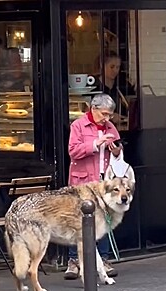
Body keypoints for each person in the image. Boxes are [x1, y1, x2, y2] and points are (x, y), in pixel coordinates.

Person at [65, 93, 124, 280]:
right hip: (82, 180)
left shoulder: (110, 127)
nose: (106, 118)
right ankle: (74, 261)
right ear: (93, 109)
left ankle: (103, 260)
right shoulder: (78, 126)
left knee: (104, 219)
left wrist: (115, 150)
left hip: (103, 182)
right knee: (78, 220)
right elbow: (73, 151)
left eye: (109, 115)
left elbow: (118, 151)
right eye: (104, 114)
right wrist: (95, 144)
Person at [94, 50, 136, 123]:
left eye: (118, 67)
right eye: (112, 67)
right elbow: (88, 110)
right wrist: (111, 116)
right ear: (102, 65)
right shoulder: (94, 86)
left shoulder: (123, 85)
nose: (115, 71)